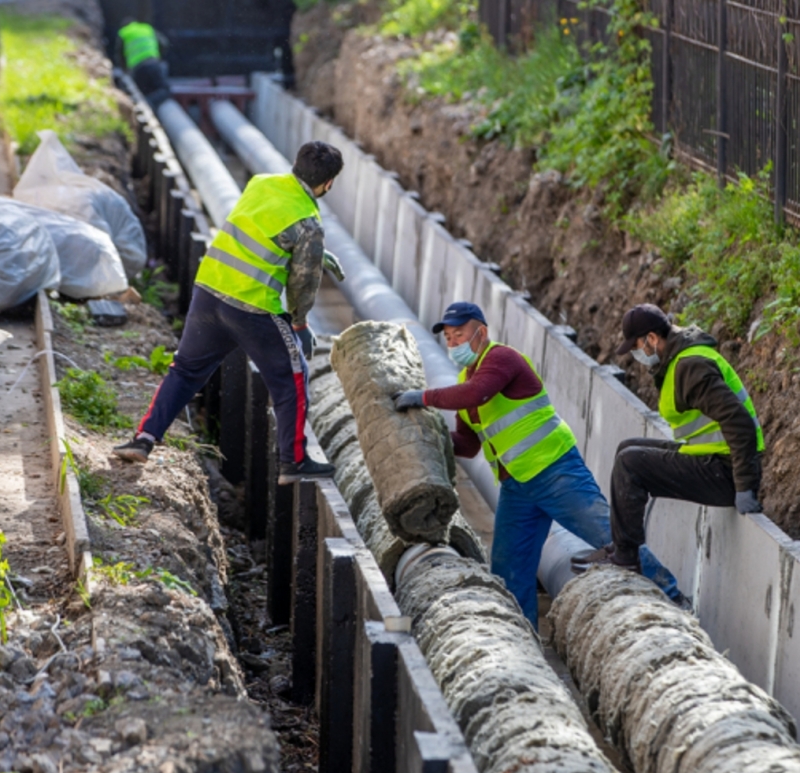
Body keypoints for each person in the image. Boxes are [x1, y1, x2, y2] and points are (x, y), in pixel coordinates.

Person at [392, 301, 681, 625]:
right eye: (447, 337)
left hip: (556, 471)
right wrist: (426, 434)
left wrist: (425, 397)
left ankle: (673, 598)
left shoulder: (501, 359)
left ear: (481, 333)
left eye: (459, 334)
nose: (453, 343)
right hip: (517, 486)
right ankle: (521, 641)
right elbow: (468, 445)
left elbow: (477, 393)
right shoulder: (465, 378)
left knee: (614, 539)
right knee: (508, 571)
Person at [113, 141, 347, 484]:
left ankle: (144, 439)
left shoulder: (262, 183)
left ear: (295, 164)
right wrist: (299, 321)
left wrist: (313, 252)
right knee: (292, 379)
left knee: (185, 370)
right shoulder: (309, 224)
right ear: (328, 184)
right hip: (252, 308)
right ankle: (293, 462)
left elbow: (258, 231)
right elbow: (303, 283)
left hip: (209, 290)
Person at [583, 304, 764, 569]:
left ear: (653, 339)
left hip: (726, 472)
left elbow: (739, 421)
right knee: (628, 448)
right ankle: (621, 545)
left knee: (630, 463)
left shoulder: (690, 367)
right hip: (710, 459)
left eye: (637, 347)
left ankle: (626, 557)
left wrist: (745, 487)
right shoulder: (680, 360)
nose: (637, 355)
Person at [115, 19, 171, 108]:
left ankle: (144, 104)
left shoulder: (123, 33)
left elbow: (120, 56)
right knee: (164, 90)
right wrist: (157, 56)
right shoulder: (146, 28)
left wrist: (126, 71)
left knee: (141, 92)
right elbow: (164, 43)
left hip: (137, 68)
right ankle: (149, 103)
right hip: (153, 64)